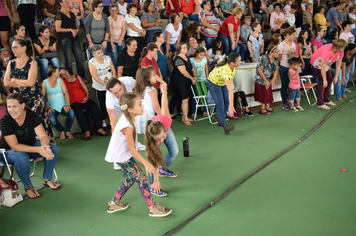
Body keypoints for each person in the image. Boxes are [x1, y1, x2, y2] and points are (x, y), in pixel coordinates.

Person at [104, 92, 172, 217]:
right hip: (122, 156)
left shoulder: (129, 118)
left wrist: (136, 147)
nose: (143, 107)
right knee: (142, 179)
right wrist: (145, 163)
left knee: (129, 180)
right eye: (140, 105)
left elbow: (130, 144)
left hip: (122, 154)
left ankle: (113, 203)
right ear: (130, 109)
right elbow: (131, 149)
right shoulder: (127, 125)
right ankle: (152, 207)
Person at [0, 93, 60, 199]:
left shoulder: (31, 115)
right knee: (22, 156)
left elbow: (43, 136)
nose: (11, 110)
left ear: (23, 105)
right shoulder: (5, 120)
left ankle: (47, 178)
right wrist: (39, 149)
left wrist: (45, 147)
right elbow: (14, 146)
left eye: (14, 106)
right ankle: (28, 186)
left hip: (29, 146)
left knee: (53, 148)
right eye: (9, 106)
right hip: (9, 152)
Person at [4, 39, 53, 140]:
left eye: (15, 47)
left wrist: (14, 80)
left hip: (34, 99)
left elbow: (31, 82)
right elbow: (6, 83)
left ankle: (47, 147)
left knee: (39, 122)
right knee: (22, 123)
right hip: (18, 100)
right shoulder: (11, 63)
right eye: (12, 48)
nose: (12, 50)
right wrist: (21, 82)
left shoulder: (32, 63)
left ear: (24, 48)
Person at [145, 83, 179, 197]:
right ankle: (152, 187)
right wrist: (156, 181)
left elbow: (164, 104)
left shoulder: (166, 120)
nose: (163, 141)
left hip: (165, 129)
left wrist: (164, 91)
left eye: (163, 137)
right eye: (160, 139)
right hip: (157, 135)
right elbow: (154, 163)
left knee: (174, 151)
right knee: (152, 162)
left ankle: (163, 170)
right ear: (155, 138)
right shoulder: (151, 141)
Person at [60, 68, 109, 140]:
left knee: (94, 107)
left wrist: (87, 96)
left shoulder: (77, 77)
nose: (66, 74)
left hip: (85, 99)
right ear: (61, 77)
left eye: (65, 71)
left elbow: (85, 87)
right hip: (74, 102)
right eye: (63, 74)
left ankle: (99, 128)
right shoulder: (62, 81)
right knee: (78, 111)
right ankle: (86, 131)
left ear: (68, 70)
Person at [207, 52, 241, 134]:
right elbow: (230, 90)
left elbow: (230, 89)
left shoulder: (232, 66)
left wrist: (231, 105)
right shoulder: (226, 71)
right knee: (220, 103)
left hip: (222, 83)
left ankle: (220, 118)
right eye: (239, 61)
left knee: (226, 101)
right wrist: (231, 107)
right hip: (213, 83)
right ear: (232, 63)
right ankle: (225, 124)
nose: (241, 62)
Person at [310, 39, 347, 109]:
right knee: (322, 82)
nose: (344, 49)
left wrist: (336, 76)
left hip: (327, 64)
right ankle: (320, 103)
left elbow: (339, 63)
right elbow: (322, 66)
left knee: (330, 80)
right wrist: (324, 80)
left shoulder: (341, 51)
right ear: (337, 47)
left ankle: (326, 100)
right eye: (343, 47)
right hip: (317, 63)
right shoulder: (327, 51)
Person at [55, 0, 86, 83]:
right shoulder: (59, 14)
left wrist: (76, 30)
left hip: (74, 37)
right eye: (64, 1)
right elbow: (57, 29)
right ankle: (70, 78)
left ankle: (82, 78)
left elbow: (76, 26)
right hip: (65, 38)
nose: (66, 2)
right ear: (60, 3)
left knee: (79, 58)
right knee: (68, 60)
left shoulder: (71, 13)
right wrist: (70, 29)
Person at [42, 66, 75, 139]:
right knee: (52, 120)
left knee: (71, 113)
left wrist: (68, 105)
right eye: (57, 71)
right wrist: (48, 108)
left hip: (63, 105)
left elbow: (66, 92)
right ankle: (61, 131)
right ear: (53, 73)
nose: (59, 73)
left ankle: (67, 131)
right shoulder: (45, 82)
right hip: (52, 107)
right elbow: (42, 97)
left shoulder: (60, 79)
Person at [89, 45, 116, 127]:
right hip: (100, 87)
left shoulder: (108, 58)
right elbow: (94, 76)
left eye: (101, 51)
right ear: (94, 54)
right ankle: (103, 121)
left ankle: (112, 120)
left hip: (111, 86)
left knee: (113, 103)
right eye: (99, 53)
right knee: (102, 104)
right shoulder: (92, 62)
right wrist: (105, 84)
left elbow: (113, 71)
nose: (101, 54)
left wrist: (113, 81)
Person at [133, 65, 162, 136]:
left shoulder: (138, 89)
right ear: (147, 78)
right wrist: (162, 117)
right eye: (153, 75)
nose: (156, 77)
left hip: (139, 116)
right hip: (149, 117)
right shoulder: (152, 90)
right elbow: (156, 107)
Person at [173, 42, 196, 126]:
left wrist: (194, 77)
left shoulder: (186, 57)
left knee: (186, 99)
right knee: (185, 99)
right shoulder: (178, 58)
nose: (185, 49)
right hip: (180, 82)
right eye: (183, 47)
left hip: (187, 82)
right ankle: (185, 118)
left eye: (186, 47)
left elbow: (192, 68)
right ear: (179, 49)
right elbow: (183, 71)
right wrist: (192, 78)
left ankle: (184, 117)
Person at [278, 27, 301, 110]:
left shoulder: (294, 44)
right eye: (293, 35)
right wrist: (279, 66)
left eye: (295, 35)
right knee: (284, 85)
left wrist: (296, 66)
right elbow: (278, 57)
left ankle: (293, 101)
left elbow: (296, 55)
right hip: (284, 67)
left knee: (294, 85)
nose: (294, 37)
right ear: (287, 35)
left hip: (293, 68)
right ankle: (285, 103)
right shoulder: (282, 45)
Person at [254, 45, 279, 115]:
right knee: (263, 90)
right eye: (276, 52)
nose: (278, 53)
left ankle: (267, 106)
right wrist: (265, 80)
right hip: (261, 78)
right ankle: (262, 108)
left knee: (268, 91)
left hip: (269, 77)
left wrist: (274, 78)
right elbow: (260, 70)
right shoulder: (263, 58)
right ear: (271, 52)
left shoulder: (276, 58)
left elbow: (276, 69)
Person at [190, 47, 209, 117]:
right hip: (195, 81)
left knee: (204, 94)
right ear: (197, 54)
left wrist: (207, 77)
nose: (202, 56)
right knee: (196, 96)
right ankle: (194, 111)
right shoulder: (191, 60)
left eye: (203, 55)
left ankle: (205, 109)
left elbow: (206, 68)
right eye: (201, 55)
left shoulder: (204, 59)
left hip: (203, 79)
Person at [108, 4, 126, 69]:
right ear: (109, 11)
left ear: (117, 10)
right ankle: (115, 72)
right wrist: (112, 43)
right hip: (112, 40)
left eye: (115, 10)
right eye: (112, 11)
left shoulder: (121, 17)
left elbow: (124, 29)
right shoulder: (108, 19)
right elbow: (110, 33)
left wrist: (120, 39)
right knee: (114, 57)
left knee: (123, 55)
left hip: (121, 39)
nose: (114, 12)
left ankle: (124, 70)